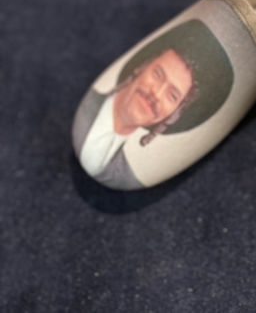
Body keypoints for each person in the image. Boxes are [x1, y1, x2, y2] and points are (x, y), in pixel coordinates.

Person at [72, 19, 234, 190]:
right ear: (141, 67)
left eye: (172, 95)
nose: (156, 94)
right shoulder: (89, 109)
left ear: (174, 114)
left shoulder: (129, 176)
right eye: (157, 74)